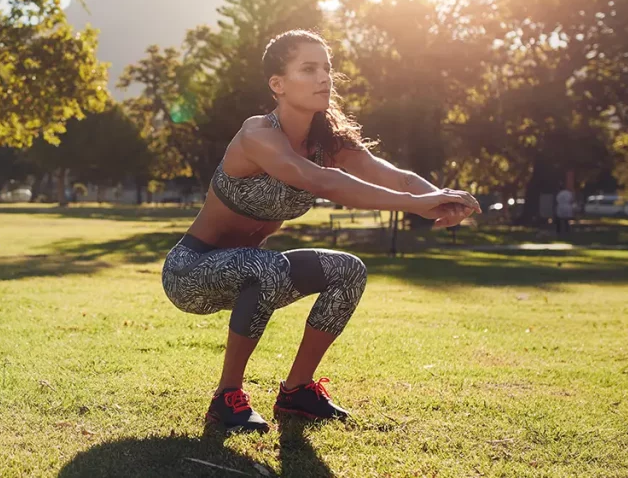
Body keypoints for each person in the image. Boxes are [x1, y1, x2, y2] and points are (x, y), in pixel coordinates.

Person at [160, 30, 480, 434]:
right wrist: (415, 206)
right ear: (277, 85)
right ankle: (227, 397)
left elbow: (392, 176)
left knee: (349, 271)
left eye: (326, 68)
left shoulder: (326, 141)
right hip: (192, 271)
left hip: (256, 271)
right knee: (267, 267)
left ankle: (297, 392)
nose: (324, 78)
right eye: (308, 69)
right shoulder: (257, 135)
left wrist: (439, 197)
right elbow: (321, 181)